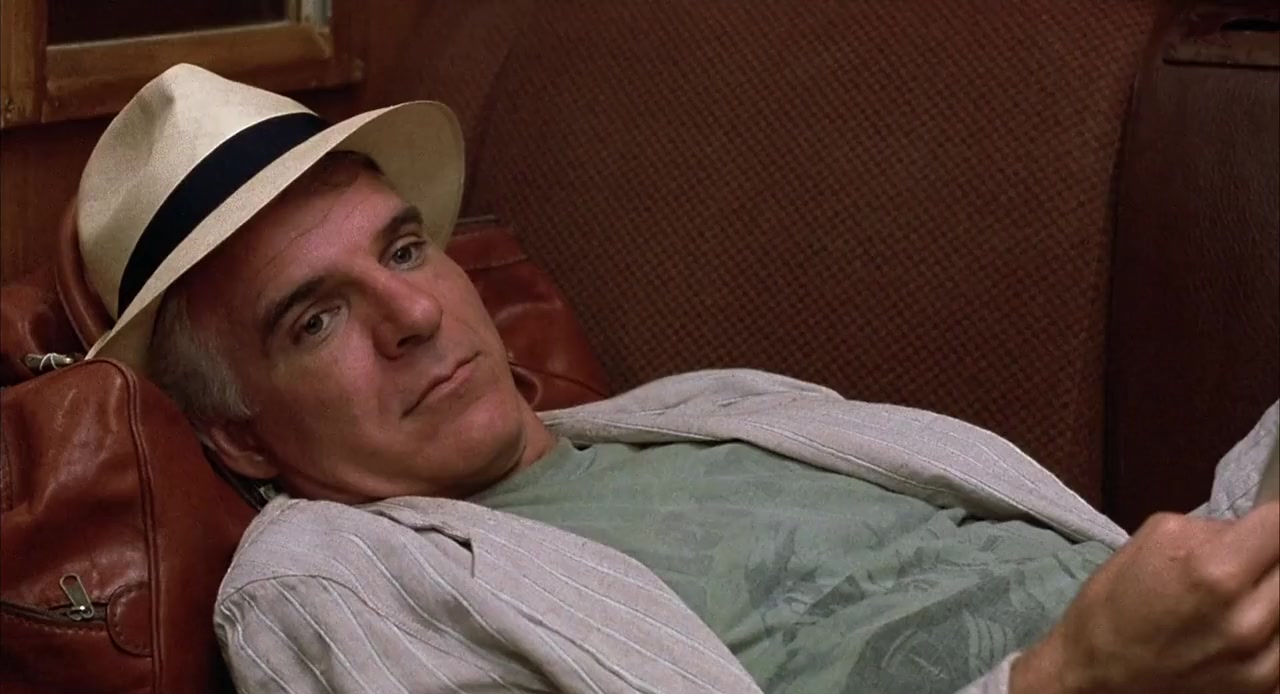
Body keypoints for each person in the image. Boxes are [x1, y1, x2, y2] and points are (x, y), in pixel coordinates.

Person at [77, 64, 1279, 694]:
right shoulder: (323, 586)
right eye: (315, 318)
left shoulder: (714, 404)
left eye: (401, 250)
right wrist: (1069, 679)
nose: (414, 312)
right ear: (241, 436)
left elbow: (1158, 570)